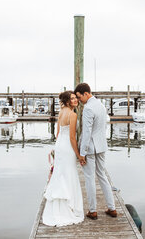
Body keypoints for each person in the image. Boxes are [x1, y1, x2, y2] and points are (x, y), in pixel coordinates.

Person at [74, 83, 117, 220]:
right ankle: (112, 208)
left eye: (80, 97)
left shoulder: (88, 109)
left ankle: (93, 211)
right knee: (102, 176)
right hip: (101, 145)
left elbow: (86, 133)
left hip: (90, 148)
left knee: (89, 178)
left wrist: (82, 153)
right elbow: (103, 126)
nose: (79, 100)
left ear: (86, 93)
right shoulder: (101, 105)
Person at [42, 91, 84, 226]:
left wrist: (57, 148)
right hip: (67, 147)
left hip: (60, 145)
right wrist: (79, 155)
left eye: (75, 98)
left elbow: (58, 133)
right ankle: (69, 206)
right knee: (69, 173)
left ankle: (60, 205)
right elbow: (72, 138)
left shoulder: (61, 112)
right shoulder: (72, 115)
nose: (75, 100)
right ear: (67, 101)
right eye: (72, 99)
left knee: (60, 174)